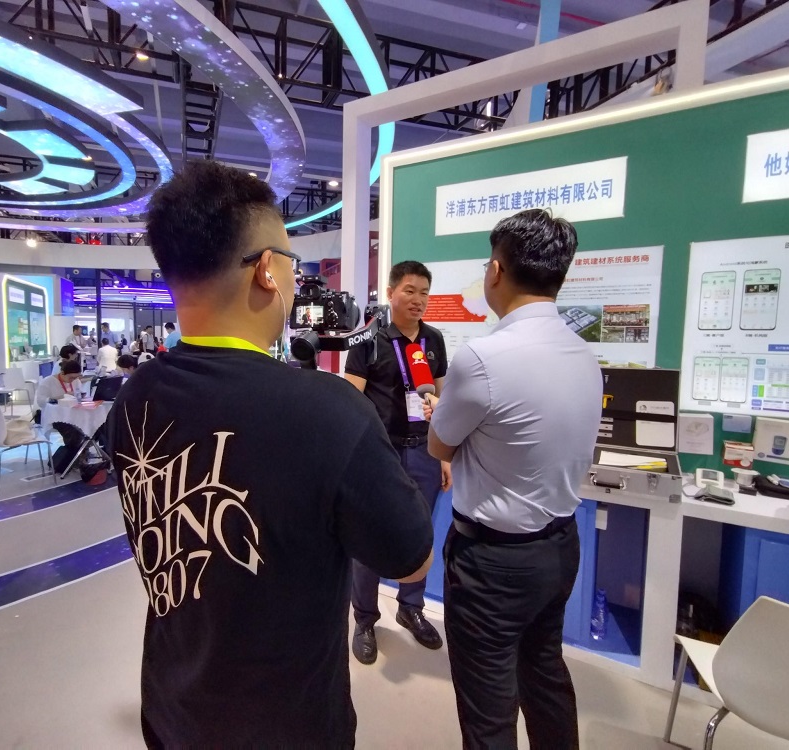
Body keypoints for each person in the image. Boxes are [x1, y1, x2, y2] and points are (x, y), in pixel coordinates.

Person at [107, 159, 434, 748]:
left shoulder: (134, 397)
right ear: (265, 270)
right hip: (289, 726)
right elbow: (411, 561)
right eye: (290, 260)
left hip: (172, 708)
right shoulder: (329, 412)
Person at [423, 209, 603, 749]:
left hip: (493, 563)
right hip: (560, 546)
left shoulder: (482, 357)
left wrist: (444, 416)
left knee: (488, 707)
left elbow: (439, 445)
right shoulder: (583, 353)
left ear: (497, 270)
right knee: (545, 675)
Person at [343, 259, 451, 665]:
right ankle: (365, 619)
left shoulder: (434, 340)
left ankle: (411, 607)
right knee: (369, 536)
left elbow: (442, 398)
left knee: (420, 533)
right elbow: (351, 402)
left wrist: (444, 455)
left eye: (424, 292)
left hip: (424, 451)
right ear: (391, 293)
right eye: (410, 290)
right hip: (380, 454)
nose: (418, 299)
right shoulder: (368, 340)